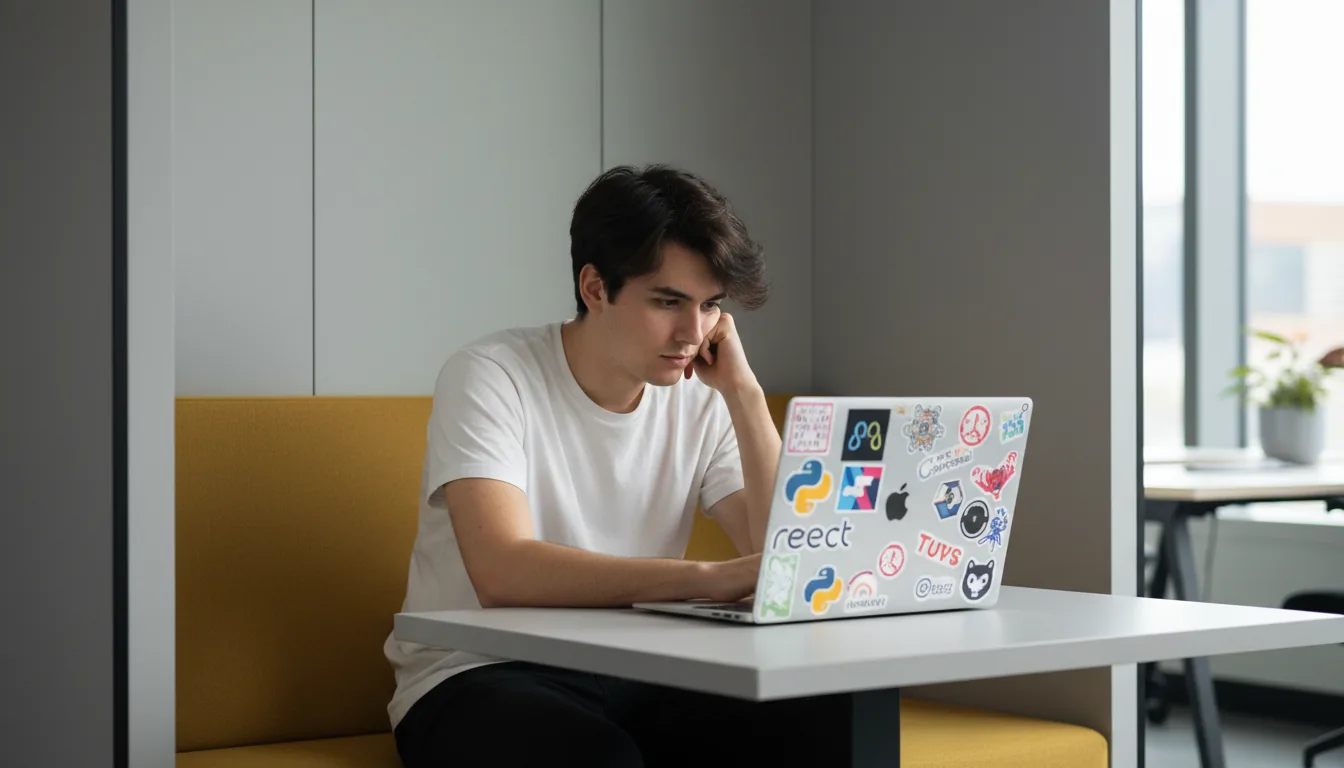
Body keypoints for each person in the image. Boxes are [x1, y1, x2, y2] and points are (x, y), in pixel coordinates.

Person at [385, 165, 840, 767]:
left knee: (822, 723)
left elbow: (786, 556)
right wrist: (706, 579)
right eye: (668, 301)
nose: (693, 331)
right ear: (595, 288)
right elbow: (502, 571)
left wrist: (745, 396)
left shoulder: (702, 396)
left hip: (637, 671)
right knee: (598, 758)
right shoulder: (491, 375)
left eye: (710, 307)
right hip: (478, 675)